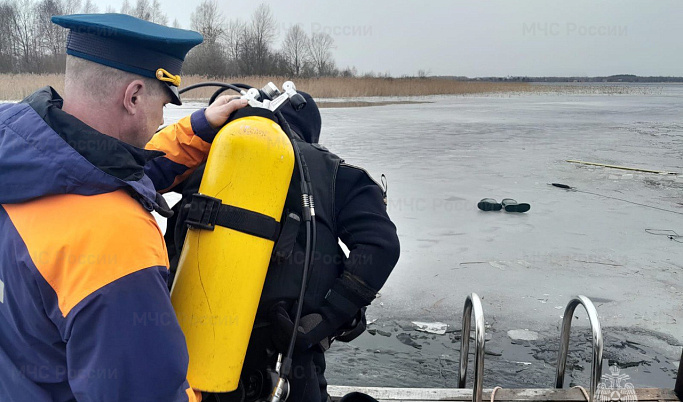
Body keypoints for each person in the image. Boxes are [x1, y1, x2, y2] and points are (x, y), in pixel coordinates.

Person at [0, 14, 247, 401]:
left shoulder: (18, 154)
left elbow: (114, 166)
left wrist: (199, 127)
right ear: (132, 97)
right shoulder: (112, 240)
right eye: (163, 105)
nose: (162, 120)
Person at [165, 92, 401, 402]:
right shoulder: (333, 173)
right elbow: (381, 246)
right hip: (288, 354)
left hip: (196, 351)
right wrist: (327, 318)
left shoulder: (210, 161)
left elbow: (147, 183)